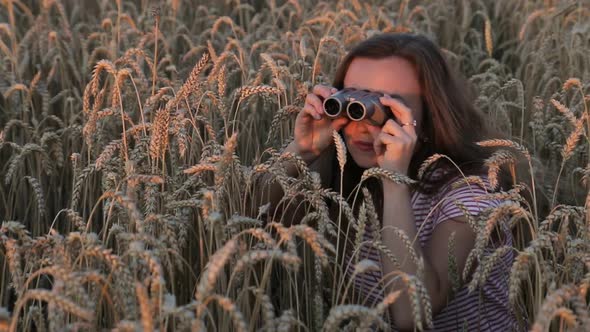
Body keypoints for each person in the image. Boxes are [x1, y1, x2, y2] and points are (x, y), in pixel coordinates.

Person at [253, 33, 518, 331]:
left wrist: (394, 181)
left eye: (387, 109)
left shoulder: (470, 193)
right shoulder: (346, 177)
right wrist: (303, 150)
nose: (363, 126)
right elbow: (252, 219)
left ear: (430, 117)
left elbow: (410, 315)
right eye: (352, 103)